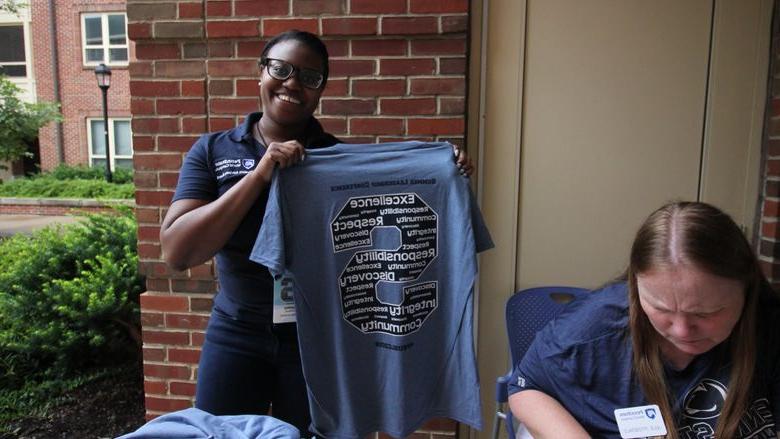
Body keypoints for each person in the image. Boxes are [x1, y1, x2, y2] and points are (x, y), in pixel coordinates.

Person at [160, 29, 474, 433]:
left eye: (310, 77)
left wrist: (443, 170)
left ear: (321, 90)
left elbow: (395, 226)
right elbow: (177, 252)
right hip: (237, 331)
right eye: (281, 69)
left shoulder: (338, 163)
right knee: (219, 432)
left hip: (319, 340)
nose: (293, 82)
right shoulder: (214, 150)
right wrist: (260, 175)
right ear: (261, 74)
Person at [508, 201, 780, 439]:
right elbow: (526, 387)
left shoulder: (769, 329)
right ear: (635, 287)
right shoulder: (592, 326)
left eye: (704, 313)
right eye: (661, 308)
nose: (682, 331)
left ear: (747, 289)